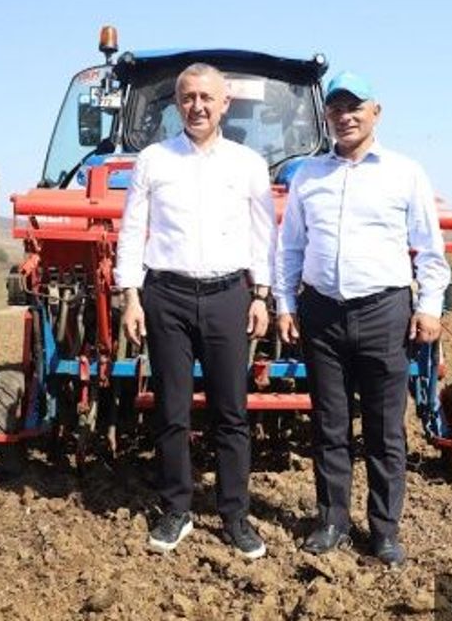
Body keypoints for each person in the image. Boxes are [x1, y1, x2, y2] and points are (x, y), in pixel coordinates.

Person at [273, 71, 450, 567]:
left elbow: (430, 251)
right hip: (322, 313)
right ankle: (330, 521)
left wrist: (429, 307)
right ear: (325, 115)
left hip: (383, 310)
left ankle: (384, 530)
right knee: (329, 425)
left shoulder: (405, 172)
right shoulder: (307, 174)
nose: (345, 116)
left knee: (385, 428)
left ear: (376, 111)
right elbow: (289, 250)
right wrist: (286, 305)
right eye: (336, 108)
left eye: (355, 107)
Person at [116, 62, 274, 559]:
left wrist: (261, 294)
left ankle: (234, 514)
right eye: (188, 98)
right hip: (167, 296)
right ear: (176, 104)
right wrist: (131, 296)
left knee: (231, 412)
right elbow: (131, 229)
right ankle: (176, 509)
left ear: (225, 103)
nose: (197, 106)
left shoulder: (248, 163)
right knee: (172, 410)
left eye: (207, 97)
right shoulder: (153, 160)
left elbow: (262, 232)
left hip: (229, 295)